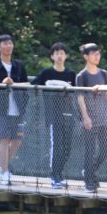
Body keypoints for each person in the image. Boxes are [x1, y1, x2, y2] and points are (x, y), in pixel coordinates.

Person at [0, 34, 30, 185]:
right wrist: (1, 83)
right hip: (1, 108)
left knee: (18, 139)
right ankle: (4, 171)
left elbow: (26, 84)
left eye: (10, 43)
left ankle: (0, 163)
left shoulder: (19, 65)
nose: (8, 46)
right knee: (4, 138)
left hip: (17, 107)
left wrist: (13, 83)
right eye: (5, 43)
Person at [31, 42, 77, 189]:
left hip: (69, 116)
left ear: (66, 56)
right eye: (56, 53)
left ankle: (59, 173)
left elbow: (78, 96)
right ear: (52, 56)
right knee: (56, 145)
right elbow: (32, 85)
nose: (59, 55)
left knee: (67, 147)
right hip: (53, 115)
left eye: (62, 53)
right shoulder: (46, 73)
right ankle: (55, 176)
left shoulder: (71, 74)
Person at [75, 43, 107, 192]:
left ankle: (89, 172)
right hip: (91, 119)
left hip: (104, 117)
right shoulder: (81, 76)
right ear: (86, 56)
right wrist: (85, 117)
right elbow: (80, 97)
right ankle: (89, 182)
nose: (97, 57)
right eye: (93, 54)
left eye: (98, 54)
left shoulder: (103, 73)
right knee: (90, 150)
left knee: (106, 148)